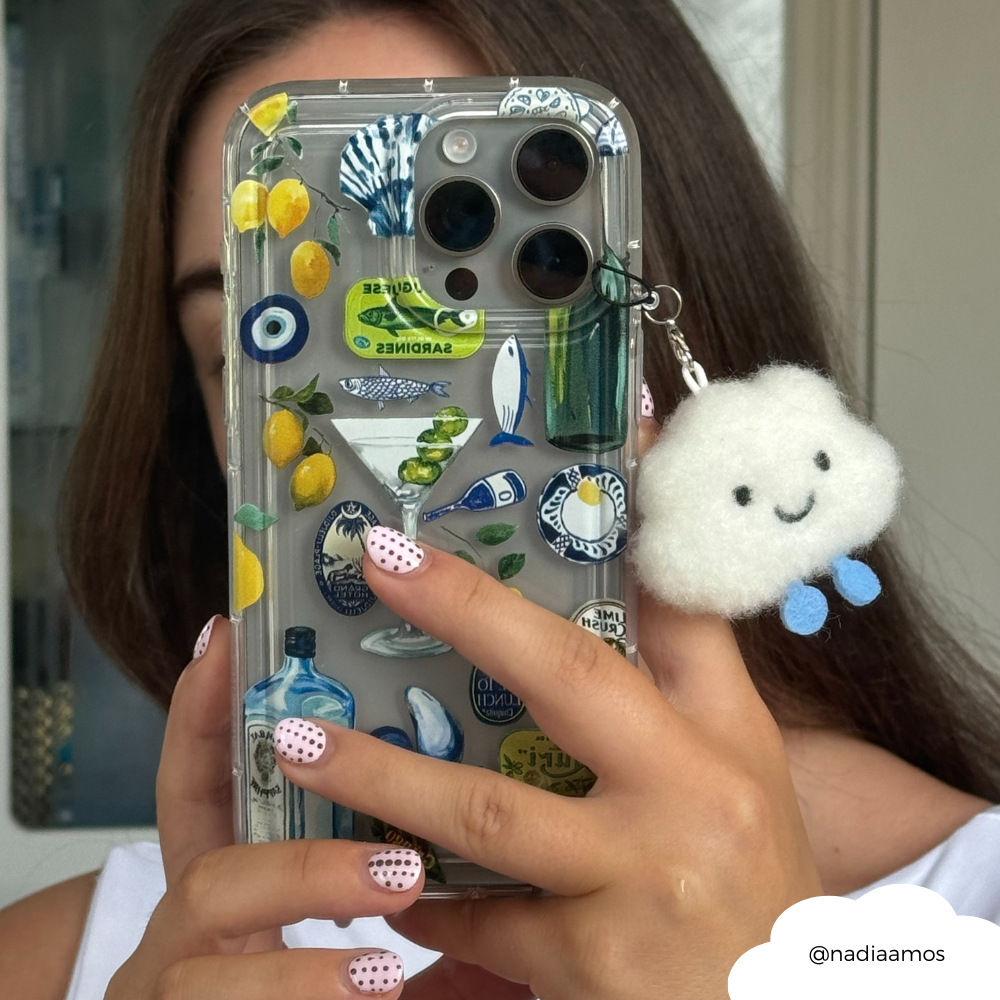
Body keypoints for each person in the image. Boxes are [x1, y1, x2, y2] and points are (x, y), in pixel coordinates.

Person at [2, 1, 999, 998]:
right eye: (257, 350)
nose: (390, 411)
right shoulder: (72, 962)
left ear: (678, 324)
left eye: (513, 300)